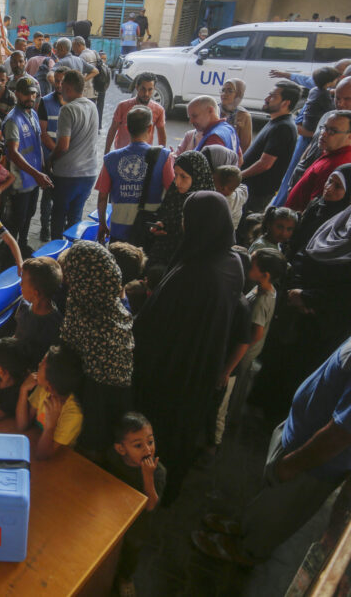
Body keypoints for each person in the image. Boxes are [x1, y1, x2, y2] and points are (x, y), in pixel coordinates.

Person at [194, 233, 351, 567]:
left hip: (311, 463)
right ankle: (242, 528)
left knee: (275, 515)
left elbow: (342, 432)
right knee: (266, 503)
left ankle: (246, 551)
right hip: (301, 437)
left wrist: (290, 465)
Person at [253, 166, 351, 422]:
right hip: (298, 311)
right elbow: (306, 253)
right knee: (279, 364)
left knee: (301, 378)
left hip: (328, 326)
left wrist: (310, 298)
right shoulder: (344, 219)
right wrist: (296, 290)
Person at [132, 191, 244, 503]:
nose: (182, 223)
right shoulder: (232, 261)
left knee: (162, 434)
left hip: (173, 371)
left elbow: (153, 326)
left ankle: (152, 495)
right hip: (204, 365)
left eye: (186, 217)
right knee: (184, 431)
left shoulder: (193, 274)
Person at [59, 240, 134, 453]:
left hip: (95, 398)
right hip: (116, 395)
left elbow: (68, 351)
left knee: (90, 448)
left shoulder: (84, 310)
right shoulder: (114, 302)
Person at [215, 249, 284, 442]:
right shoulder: (264, 289)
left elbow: (256, 333)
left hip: (241, 355)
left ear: (265, 274)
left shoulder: (263, 299)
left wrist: (233, 357)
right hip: (243, 351)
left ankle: (218, 438)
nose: (247, 268)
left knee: (228, 396)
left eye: (252, 265)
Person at [280, 76, 351, 204]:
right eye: (337, 98)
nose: (341, 103)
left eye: (347, 99)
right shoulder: (330, 115)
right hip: (302, 182)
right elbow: (312, 147)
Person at [108, 412, 165, 597]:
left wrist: (147, 477)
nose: (148, 449)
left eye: (150, 441)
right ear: (121, 449)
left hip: (138, 525)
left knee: (131, 553)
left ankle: (125, 578)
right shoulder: (113, 459)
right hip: (115, 516)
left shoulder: (157, 471)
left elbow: (151, 505)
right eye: (138, 445)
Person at [96, 105, 170, 244]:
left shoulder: (111, 158)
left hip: (119, 232)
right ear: (150, 128)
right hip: (150, 232)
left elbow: (102, 197)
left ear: (126, 128)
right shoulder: (164, 156)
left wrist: (102, 223)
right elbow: (173, 193)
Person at [50, 70, 101, 239]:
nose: (60, 87)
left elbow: (63, 145)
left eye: (62, 84)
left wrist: (49, 160)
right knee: (75, 217)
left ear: (69, 88)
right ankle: (72, 254)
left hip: (68, 174)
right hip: (89, 173)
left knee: (58, 215)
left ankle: (56, 255)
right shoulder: (92, 106)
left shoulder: (67, 110)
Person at [3, 77, 52, 252]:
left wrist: (43, 167)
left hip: (33, 177)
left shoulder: (34, 114)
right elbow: (13, 153)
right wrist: (37, 174)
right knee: (17, 219)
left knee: (30, 214)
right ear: (17, 94)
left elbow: (37, 144)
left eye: (33, 94)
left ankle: (22, 245)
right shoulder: (13, 120)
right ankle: (10, 253)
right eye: (26, 94)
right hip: (21, 179)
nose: (30, 97)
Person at [240, 81, 302, 212]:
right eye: (269, 94)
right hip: (250, 188)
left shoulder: (283, 127)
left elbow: (265, 163)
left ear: (286, 103)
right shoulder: (277, 121)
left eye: (273, 96)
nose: (267, 99)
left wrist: (239, 176)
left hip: (256, 192)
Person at [145, 151, 214, 268]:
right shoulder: (174, 192)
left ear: (198, 176)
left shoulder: (207, 204)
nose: (177, 182)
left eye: (183, 176)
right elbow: (163, 215)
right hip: (161, 257)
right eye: (175, 175)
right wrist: (159, 226)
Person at [16, 344, 85, 459]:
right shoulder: (43, 390)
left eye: (41, 364)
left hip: (59, 462)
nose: (38, 364)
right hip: (36, 443)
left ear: (50, 386)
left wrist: (50, 426)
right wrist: (23, 390)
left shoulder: (73, 415)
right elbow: (22, 425)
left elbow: (42, 454)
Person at [286, 164, 351, 260]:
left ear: (350, 191)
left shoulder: (344, 221)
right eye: (330, 181)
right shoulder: (317, 203)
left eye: (338, 186)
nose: (329, 188)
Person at [285, 110, 351, 211]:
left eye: (332, 131)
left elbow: (314, 208)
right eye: (324, 128)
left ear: (350, 136)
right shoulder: (332, 151)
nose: (323, 134)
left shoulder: (337, 166)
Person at [12, 256, 63, 368]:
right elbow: (18, 335)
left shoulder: (54, 324)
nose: (20, 285)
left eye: (23, 282)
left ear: (36, 293)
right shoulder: (24, 306)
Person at [38, 66, 68, 241]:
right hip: (50, 158)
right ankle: (44, 228)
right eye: (56, 81)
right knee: (47, 197)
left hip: (67, 162)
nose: (58, 84)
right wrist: (57, 153)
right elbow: (43, 133)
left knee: (62, 198)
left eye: (62, 81)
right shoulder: (45, 102)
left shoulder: (75, 103)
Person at [106, 72, 168, 151]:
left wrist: (162, 156)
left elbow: (162, 136)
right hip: (121, 154)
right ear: (137, 87)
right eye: (143, 89)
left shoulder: (159, 110)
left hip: (144, 156)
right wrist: (106, 153)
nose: (146, 93)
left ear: (154, 89)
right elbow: (112, 130)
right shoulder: (123, 106)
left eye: (150, 90)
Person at [220, 79, 253, 154]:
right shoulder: (214, 109)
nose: (224, 94)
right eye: (223, 90)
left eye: (230, 91)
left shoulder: (244, 116)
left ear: (239, 94)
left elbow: (245, 146)